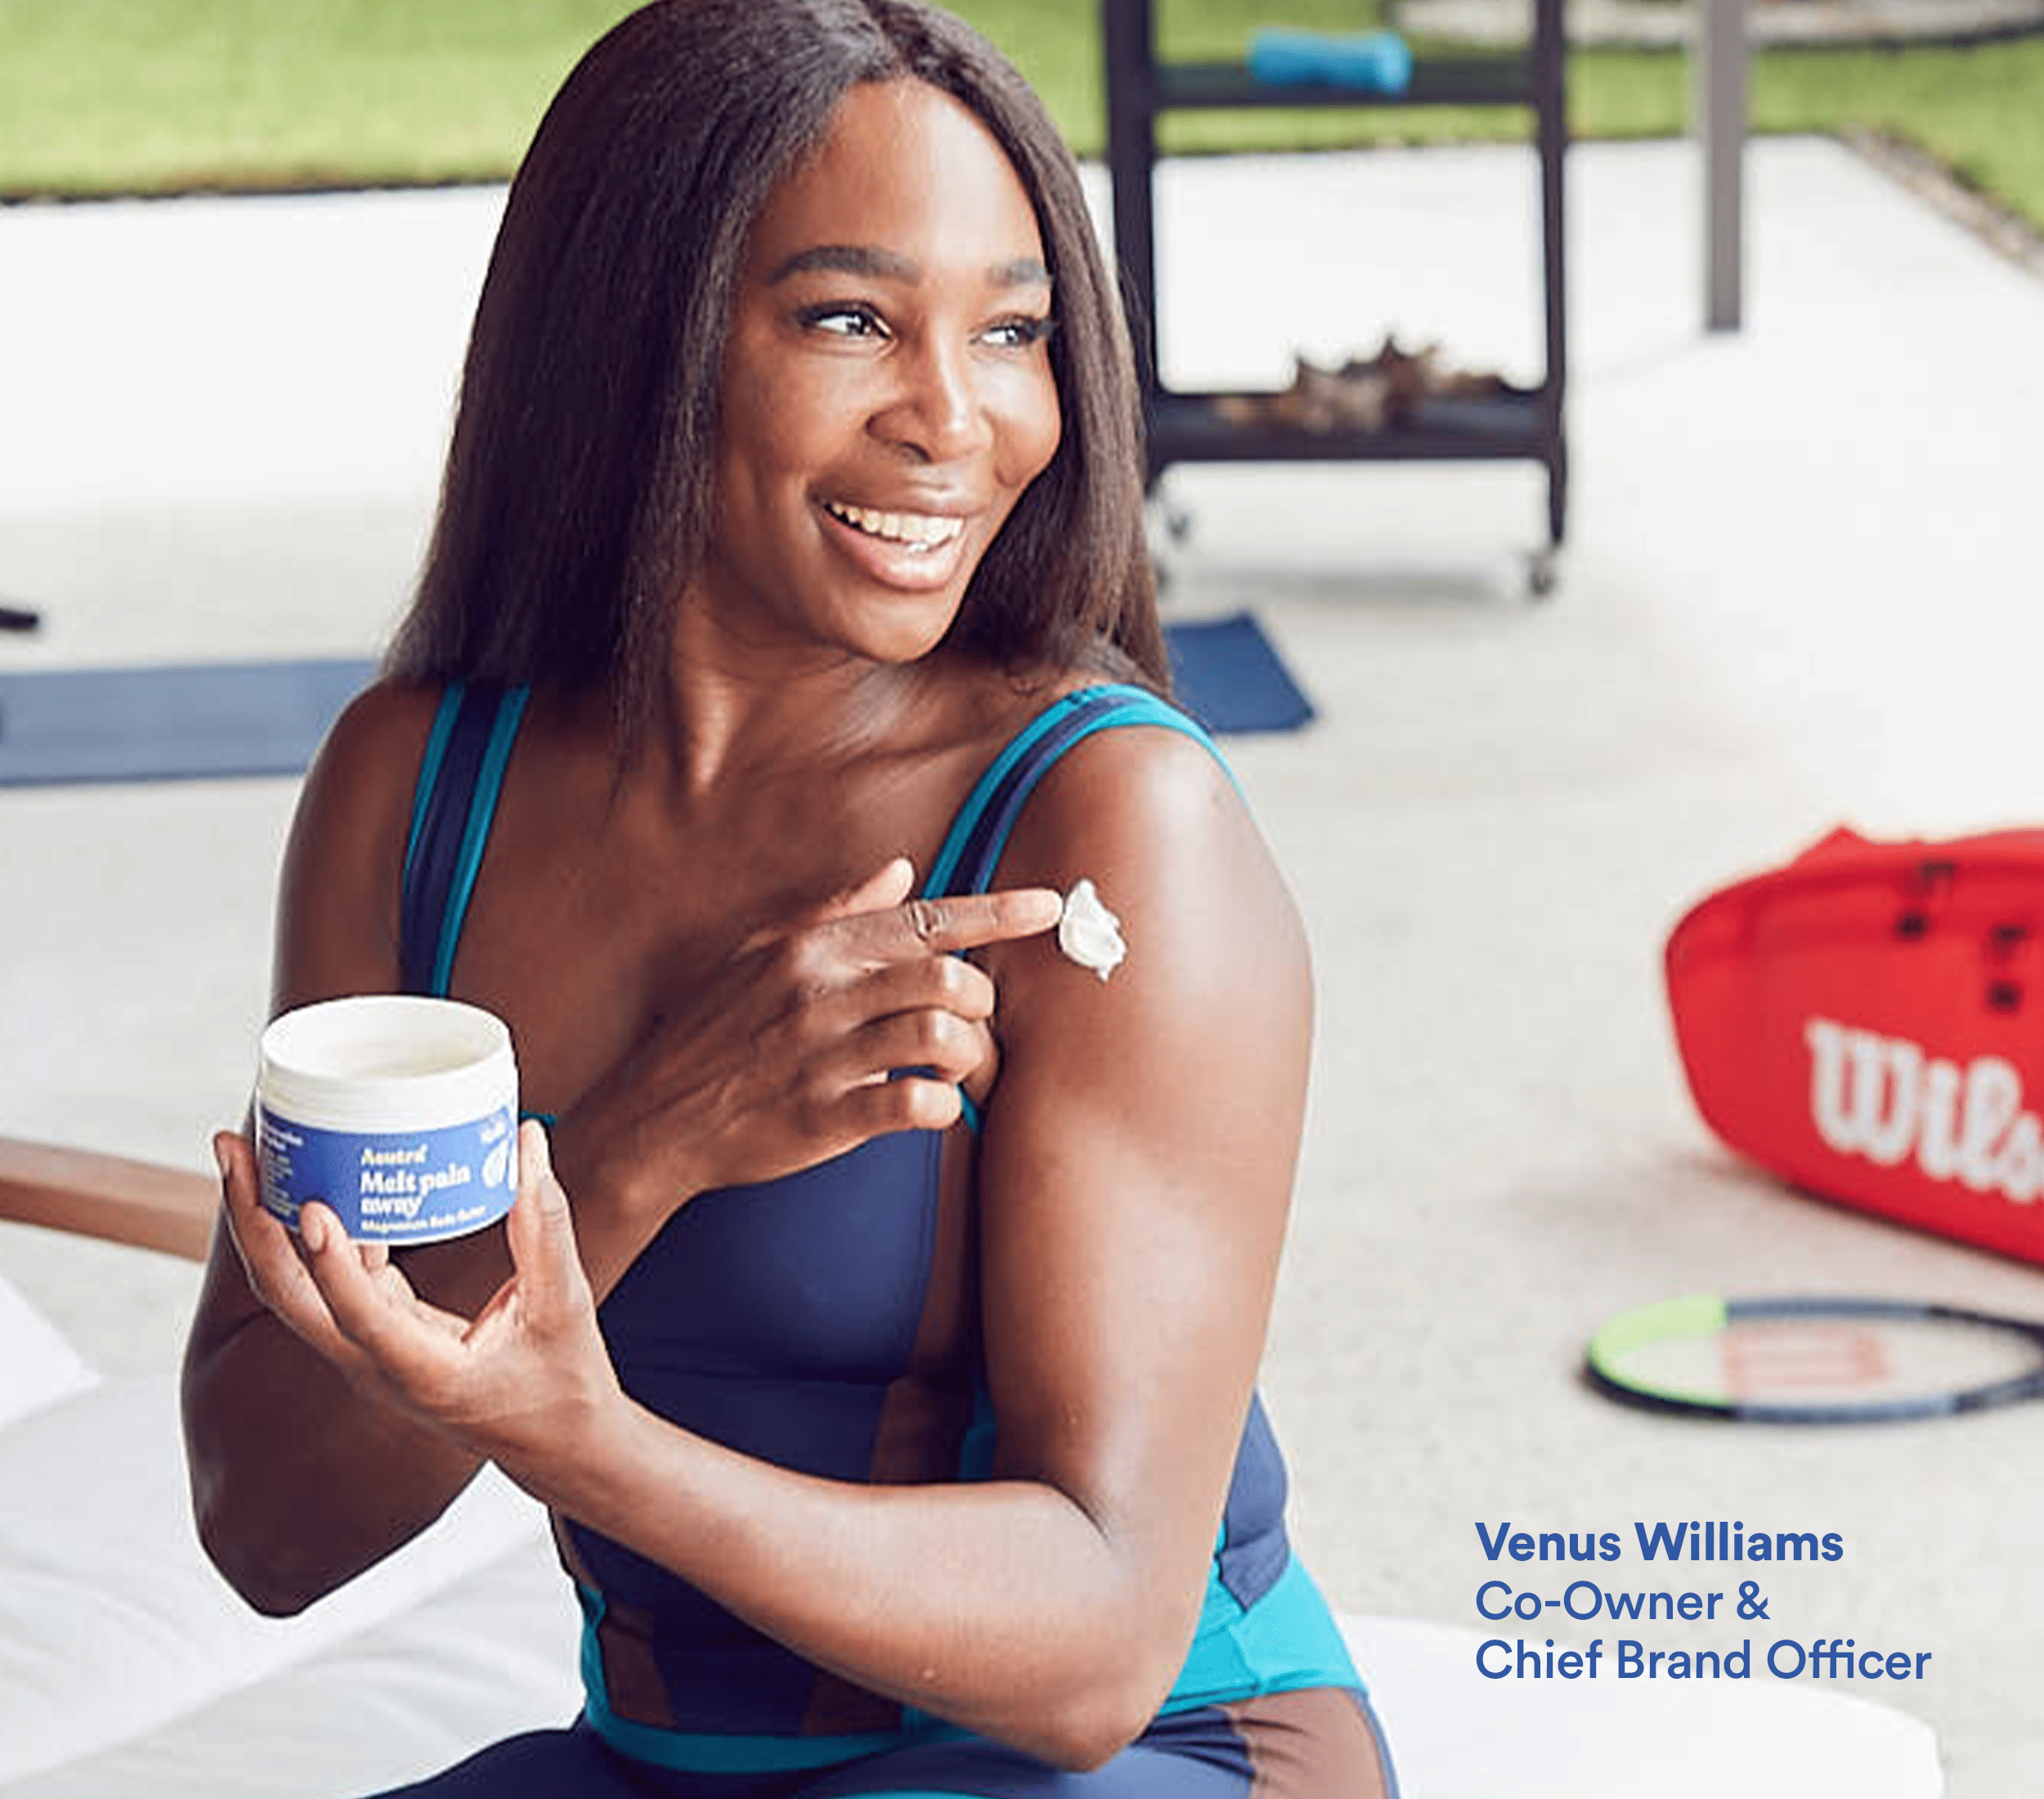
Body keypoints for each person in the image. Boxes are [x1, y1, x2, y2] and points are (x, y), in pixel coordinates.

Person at [180, 3, 1398, 1794]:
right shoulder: (412, 797)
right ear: (634, 340)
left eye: (1010, 330)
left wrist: (587, 1442)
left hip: (1147, 1756)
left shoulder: (1103, 826)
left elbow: (1099, 1645)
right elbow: (267, 1524)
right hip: (669, 1758)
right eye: (848, 317)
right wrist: (643, 1142)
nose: (955, 419)